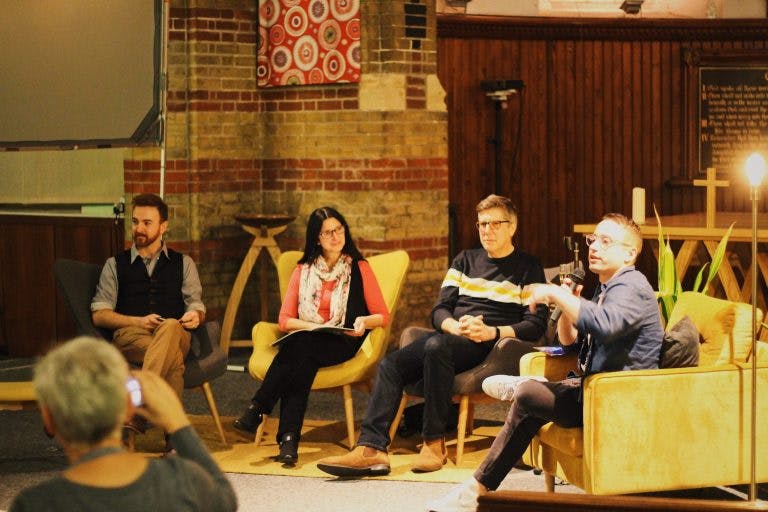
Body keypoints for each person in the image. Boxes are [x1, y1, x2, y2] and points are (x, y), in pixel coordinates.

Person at [426, 213, 664, 512]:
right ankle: (476, 491)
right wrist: (565, 305)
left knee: (528, 396)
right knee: (529, 404)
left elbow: (604, 324)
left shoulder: (631, 285)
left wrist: (554, 293)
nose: (594, 247)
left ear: (630, 254)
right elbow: (570, 344)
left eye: (606, 241)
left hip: (618, 399)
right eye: (593, 239)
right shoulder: (608, 288)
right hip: (595, 392)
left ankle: (476, 489)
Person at [317, 194, 549, 477]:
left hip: (493, 346)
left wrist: (492, 331)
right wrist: (452, 325)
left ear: (512, 227)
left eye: (494, 224)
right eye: (482, 224)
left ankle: (433, 443)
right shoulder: (464, 260)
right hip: (453, 336)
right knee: (391, 364)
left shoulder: (528, 267)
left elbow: (536, 324)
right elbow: (440, 309)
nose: (486, 230)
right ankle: (371, 448)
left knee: (436, 346)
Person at [232, 206, 390, 464]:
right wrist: (310, 326)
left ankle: (259, 408)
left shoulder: (359, 267)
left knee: (299, 348)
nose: (336, 236)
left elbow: (383, 315)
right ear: (317, 238)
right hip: (308, 341)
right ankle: (288, 441)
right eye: (328, 233)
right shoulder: (303, 270)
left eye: (339, 229)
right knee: (302, 358)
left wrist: (364, 320)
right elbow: (285, 320)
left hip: (343, 341)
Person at [9, 337, 237, 512]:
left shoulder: (33, 504)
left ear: (48, 418)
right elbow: (225, 499)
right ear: (129, 407)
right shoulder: (183, 483)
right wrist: (178, 422)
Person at [91, 193, 206, 434]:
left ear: (163, 226)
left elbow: (195, 304)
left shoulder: (183, 263)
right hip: (131, 336)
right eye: (135, 222)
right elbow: (99, 314)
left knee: (171, 326)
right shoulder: (114, 264)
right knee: (173, 359)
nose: (138, 228)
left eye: (147, 223)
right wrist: (139, 322)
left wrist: (196, 315)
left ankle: (139, 408)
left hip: (177, 334)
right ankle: (174, 438)